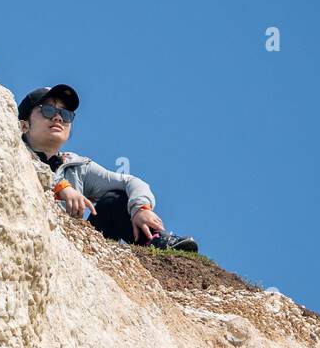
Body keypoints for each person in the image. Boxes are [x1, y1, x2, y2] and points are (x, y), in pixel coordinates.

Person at [17, 84, 198, 251]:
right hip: (28, 237)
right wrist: (61, 187)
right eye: (47, 110)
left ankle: (154, 242)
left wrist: (140, 208)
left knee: (114, 199)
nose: (58, 117)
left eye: (65, 114)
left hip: (75, 249)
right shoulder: (10, 151)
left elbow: (132, 182)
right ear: (23, 125)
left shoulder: (76, 165)